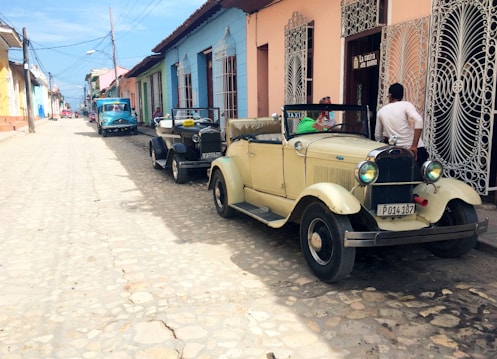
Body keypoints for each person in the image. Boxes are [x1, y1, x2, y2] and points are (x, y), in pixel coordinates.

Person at [375, 83, 428, 165]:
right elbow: (419, 120)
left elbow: (378, 136)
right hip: (415, 150)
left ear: (389, 95)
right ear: (402, 96)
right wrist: (414, 146)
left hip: (397, 152)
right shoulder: (406, 105)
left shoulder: (381, 111)